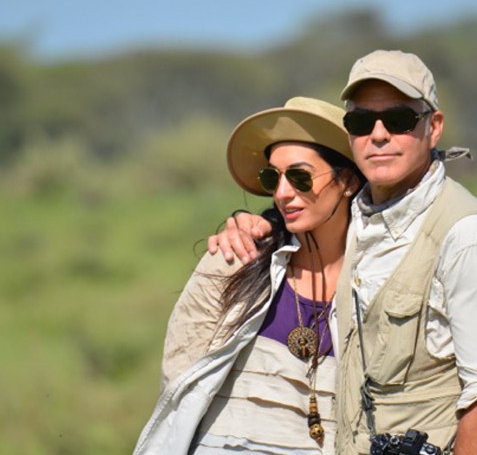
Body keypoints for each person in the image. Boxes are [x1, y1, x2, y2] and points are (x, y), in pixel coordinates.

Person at [207, 50, 477, 455]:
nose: (378, 134)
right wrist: (259, 223)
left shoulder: (470, 239)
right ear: (349, 135)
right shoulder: (361, 221)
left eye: (398, 120)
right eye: (362, 122)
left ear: (434, 128)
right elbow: (310, 207)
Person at [133, 96, 366, 455]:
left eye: (301, 176)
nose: (283, 193)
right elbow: (179, 374)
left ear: (348, 181)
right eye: (272, 177)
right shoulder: (234, 259)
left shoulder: (380, 278)